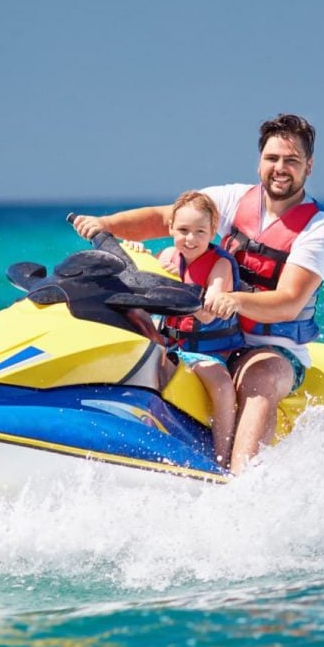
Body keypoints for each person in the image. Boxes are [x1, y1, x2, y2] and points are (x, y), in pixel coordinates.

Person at [72, 113, 324, 475]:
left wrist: (234, 299)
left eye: (291, 161)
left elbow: (290, 300)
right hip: (205, 339)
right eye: (272, 158)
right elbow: (165, 219)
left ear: (309, 166)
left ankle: (242, 481)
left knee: (259, 378)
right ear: (260, 161)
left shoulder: (319, 227)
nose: (280, 168)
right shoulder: (231, 199)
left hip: (269, 349)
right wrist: (106, 226)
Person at [127, 191, 244, 467]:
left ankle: (222, 457)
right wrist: (139, 256)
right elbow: (142, 289)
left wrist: (174, 282)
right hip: (170, 345)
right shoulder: (168, 254)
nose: (190, 239)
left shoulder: (220, 265)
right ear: (170, 228)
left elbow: (206, 313)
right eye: (183, 230)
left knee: (223, 386)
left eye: (200, 231)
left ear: (213, 231)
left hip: (210, 354)